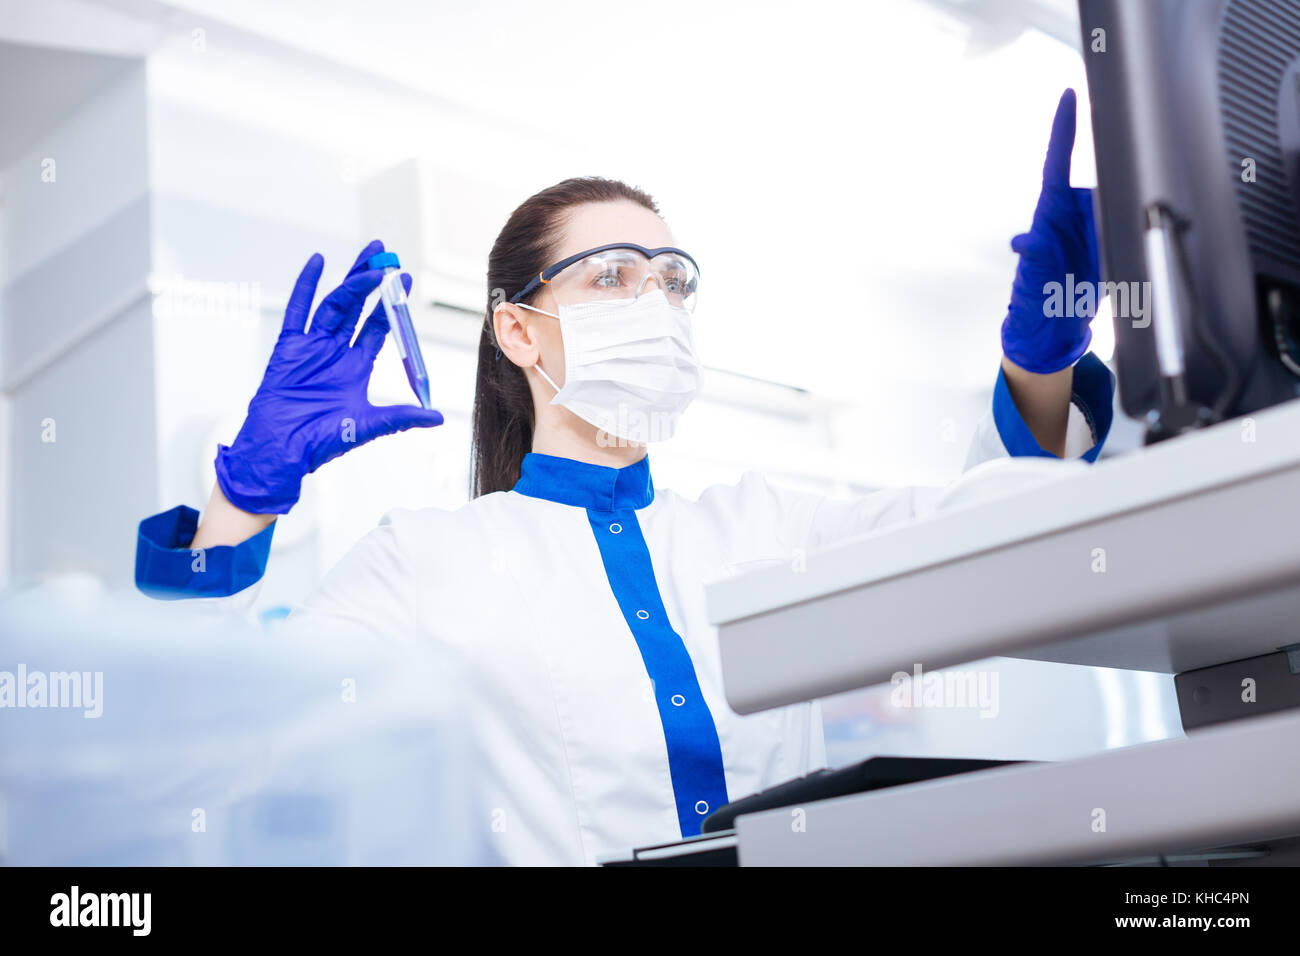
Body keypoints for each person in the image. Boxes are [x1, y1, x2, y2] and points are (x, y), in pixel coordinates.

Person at [135, 90, 1114, 865]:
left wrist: (1041, 368)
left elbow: (989, 530)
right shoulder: (426, 561)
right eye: (611, 275)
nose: (653, 301)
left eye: (670, 278)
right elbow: (214, 746)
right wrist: (247, 496)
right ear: (517, 328)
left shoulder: (769, 526)